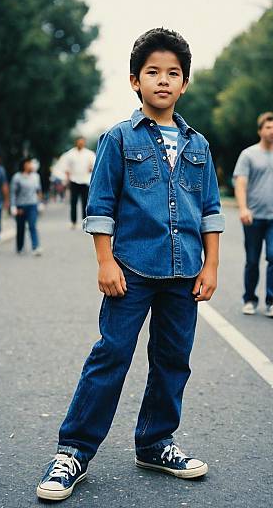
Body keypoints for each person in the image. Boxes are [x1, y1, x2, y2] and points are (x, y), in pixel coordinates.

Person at [37, 28, 225, 501]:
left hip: (185, 273)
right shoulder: (119, 139)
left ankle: (155, 441)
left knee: (172, 360)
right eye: (153, 72)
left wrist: (212, 267)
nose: (163, 80)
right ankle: (73, 451)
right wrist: (105, 261)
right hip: (132, 270)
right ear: (134, 81)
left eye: (173, 73)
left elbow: (210, 211)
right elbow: (100, 205)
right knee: (111, 356)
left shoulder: (198, 145)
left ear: (185, 84)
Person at [233, 112, 273, 318]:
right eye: (268, 127)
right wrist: (243, 208)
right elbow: (241, 183)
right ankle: (250, 299)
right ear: (260, 130)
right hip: (253, 216)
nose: (272, 131)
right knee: (252, 260)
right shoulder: (248, 155)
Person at [57, 137, 96, 228]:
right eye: (79, 142)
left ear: (84, 143)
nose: (81, 144)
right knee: (73, 202)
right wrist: (67, 176)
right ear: (76, 143)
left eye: (82, 142)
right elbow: (65, 166)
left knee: (85, 202)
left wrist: (91, 168)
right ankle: (73, 221)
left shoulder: (89, 154)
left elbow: (95, 165)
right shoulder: (70, 154)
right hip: (74, 180)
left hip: (85, 180)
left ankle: (85, 221)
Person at [10, 157, 43, 256]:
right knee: (20, 228)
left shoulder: (36, 177)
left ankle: (35, 246)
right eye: (29, 163)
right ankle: (19, 247)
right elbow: (13, 193)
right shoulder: (17, 177)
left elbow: (38, 190)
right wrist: (13, 206)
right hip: (20, 206)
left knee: (32, 226)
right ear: (24, 165)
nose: (31, 165)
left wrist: (40, 203)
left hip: (32, 204)